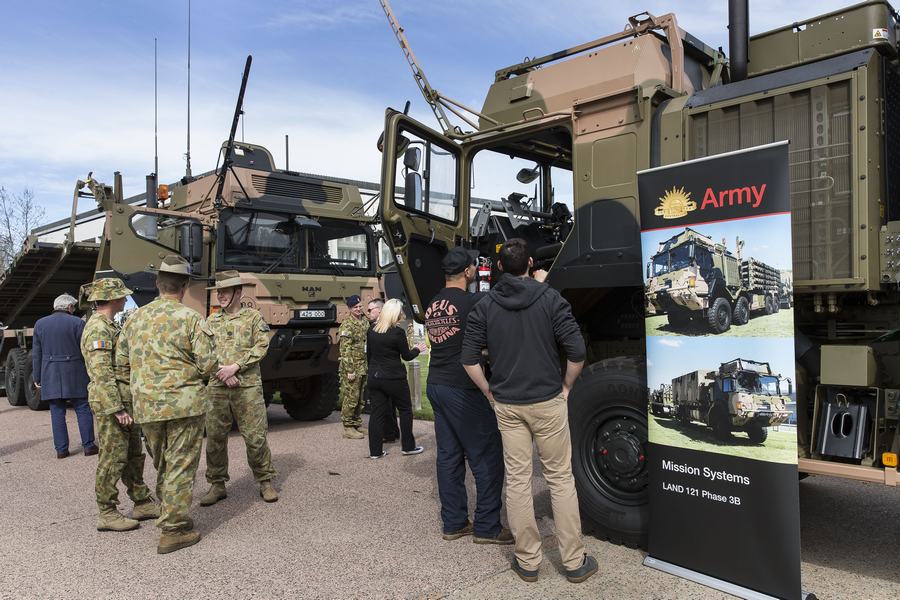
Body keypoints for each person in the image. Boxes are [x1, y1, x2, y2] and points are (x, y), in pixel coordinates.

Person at [461, 238, 598, 584]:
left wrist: (489, 391)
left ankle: (527, 561)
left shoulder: (485, 305)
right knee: (560, 479)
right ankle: (574, 561)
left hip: (508, 405)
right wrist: (566, 387)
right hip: (548, 401)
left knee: (518, 481)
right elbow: (577, 351)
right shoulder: (550, 298)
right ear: (531, 263)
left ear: (501, 267)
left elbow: (469, 359)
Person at [116, 255, 216, 554]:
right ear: (184, 286)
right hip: (184, 405)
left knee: (164, 464)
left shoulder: (134, 319)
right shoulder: (191, 319)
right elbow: (209, 363)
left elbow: (121, 364)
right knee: (180, 466)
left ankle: (167, 509)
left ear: (158, 284)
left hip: (147, 406)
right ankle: (174, 530)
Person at [425, 247, 510, 545]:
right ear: (468, 272)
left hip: (435, 383)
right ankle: (488, 527)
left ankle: (454, 523)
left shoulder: (433, 303)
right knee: (486, 455)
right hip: (461, 386)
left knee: (448, 457)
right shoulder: (474, 300)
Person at [81, 278, 159, 531]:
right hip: (112, 404)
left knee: (134, 455)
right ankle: (107, 511)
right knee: (113, 458)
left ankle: (141, 501)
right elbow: (101, 372)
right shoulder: (98, 328)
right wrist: (117, 408)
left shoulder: (110, 325)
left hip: (125, 399)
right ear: (111, 298)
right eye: (121, 296)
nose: (125, 299)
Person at [199, 270, 278, 507]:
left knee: (255, 436)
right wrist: (221, 373)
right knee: (214, 438)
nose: (221, 296)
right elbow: (203, 352)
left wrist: (236, 367)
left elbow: (262, 346)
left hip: (247, 387)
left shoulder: (253, 318)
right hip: (217, 387)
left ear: (238, 292)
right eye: (218, 292)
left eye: (225, 291)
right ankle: (217, 484)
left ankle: (265, 480)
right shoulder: (211, 320)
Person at [32, 293, 96, 459]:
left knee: (56, 411)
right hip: (75, 372)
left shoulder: (40, 324)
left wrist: (37, 377)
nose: (73, 310)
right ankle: (88, 446)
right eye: (73, 307)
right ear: (69, 307)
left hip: (50, 372)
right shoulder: (78, 323)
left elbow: (37, 354)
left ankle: (61, 450)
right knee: (82, 408)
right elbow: (85, 351)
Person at [366, 299, 427, 459]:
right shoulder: (397, 333)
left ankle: (375, 451)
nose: (402, 314)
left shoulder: (372, 330)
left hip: (374, 376)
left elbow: (369, 356)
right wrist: (417, 349)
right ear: (395, 314)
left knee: (377, 414)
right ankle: (408, 446)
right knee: (405, 410)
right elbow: (406, 356)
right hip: (393, 377)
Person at [365, 298, 400, 443]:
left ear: (379, 310)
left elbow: (371, 354)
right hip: (390, 372)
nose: (367, 313)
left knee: (382, 407)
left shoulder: (376, 328)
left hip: (381, 372)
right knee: (389, 405)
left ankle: (389, 433)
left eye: (370, 309)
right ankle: (392, 431)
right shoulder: (388, 326)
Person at [337, 295, 369, 440]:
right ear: (350, 309)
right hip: (352, 367)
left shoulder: (364, 322)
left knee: (360, 397)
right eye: (355, 307)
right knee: (351, 397)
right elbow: (345, 349)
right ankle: (348, 427)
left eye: (360, 306)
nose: (358, 309)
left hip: (363, 365)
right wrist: (350, 370)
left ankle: (356, 423)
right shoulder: (347, 325)